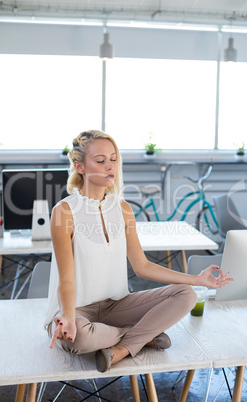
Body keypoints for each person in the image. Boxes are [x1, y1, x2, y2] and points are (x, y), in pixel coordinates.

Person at [44, 130, 233, 373]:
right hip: (76, 311)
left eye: (113, 159)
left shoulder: (123, 209)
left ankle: (122, 348)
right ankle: (144, 337)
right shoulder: (64, 212)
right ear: (79, 166)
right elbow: (66, 279)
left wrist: (197, 280)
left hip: (116, 307)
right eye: (100, 161)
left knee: (186, 295)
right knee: (79, 338)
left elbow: (141, 266)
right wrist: (68, 317)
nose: (109, 166)